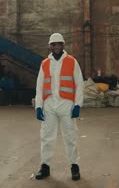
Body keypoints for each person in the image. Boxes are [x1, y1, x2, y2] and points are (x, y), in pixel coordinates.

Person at [34, 33, 84, 181]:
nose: (56, 47)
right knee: (47, 137)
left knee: (70, 137)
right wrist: (38, 106)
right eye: (53, 44)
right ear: (50, 46)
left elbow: (79, 84)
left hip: (66, 105)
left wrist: (77, 105)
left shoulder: (72, 61)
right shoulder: (45, 63)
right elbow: (39, 87)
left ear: (63, 45)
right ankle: (45, 167)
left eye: (59, 44)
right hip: (49, 105)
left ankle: (74, 166)